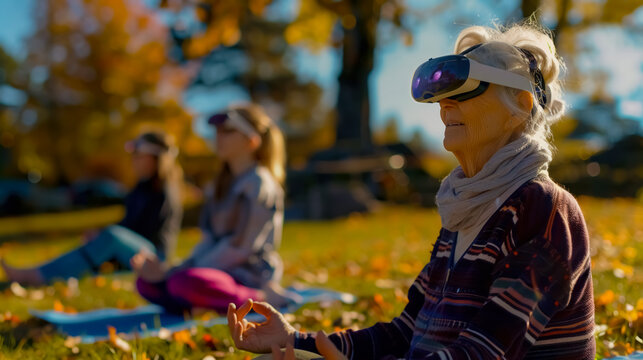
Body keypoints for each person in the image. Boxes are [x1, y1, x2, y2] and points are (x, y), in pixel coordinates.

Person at [227, 22, 596, 359]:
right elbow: (407, 332)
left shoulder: (544, 210)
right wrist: (293, 340)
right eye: (442, 94)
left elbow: (485, 351)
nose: (445, 103)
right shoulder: (464, 211)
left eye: (466, 90)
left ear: (520, 105)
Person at [132, 103, 298, 314]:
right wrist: (172, 270)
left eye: (228, 132)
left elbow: (241, 247)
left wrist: (185, 272)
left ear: (252, 141)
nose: (219, 137)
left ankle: (262, 298)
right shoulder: (218, 185)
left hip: (248, 274)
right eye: (217, 132)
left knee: (183, 283)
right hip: (214, 270)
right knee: (146, 283)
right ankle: (201, 300)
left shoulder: (259, 183)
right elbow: (208, 239)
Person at [1, 131, 183, 285]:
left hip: (155, 256)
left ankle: (38, 275)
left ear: (155, 158)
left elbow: (144, 231)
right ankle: (44, 271)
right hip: (136, 248)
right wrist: (100, 235)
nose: (134, 161)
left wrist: (108, 236)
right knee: (104, 237)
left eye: (139, 156)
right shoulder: (140, 188)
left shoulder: (164, 191)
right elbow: (128, 224)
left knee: (111, 236)